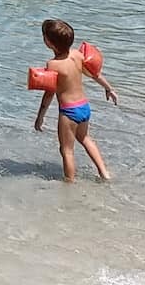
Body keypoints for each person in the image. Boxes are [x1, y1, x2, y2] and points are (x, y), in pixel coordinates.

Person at [33, 19, 117, 182]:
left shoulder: (53, 65)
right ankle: (104, 173)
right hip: (84, 107)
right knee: (85, 138)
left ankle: (70, 183)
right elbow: (95, 74)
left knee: (66, 150)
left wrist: (40, 116)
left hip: (69, 112)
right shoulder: (78, 55)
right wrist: (109, 88)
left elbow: (49, 94)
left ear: (48, 43)